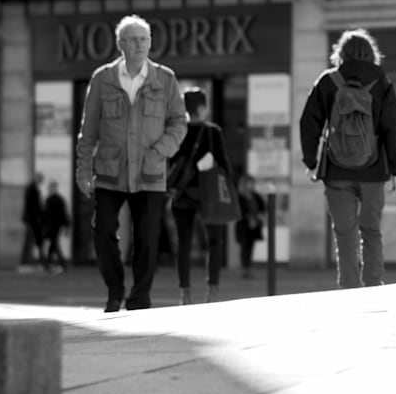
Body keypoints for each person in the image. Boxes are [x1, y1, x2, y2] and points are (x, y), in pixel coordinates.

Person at [75, 15, 187, 312]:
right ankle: (115, 291)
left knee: (148, 240)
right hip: (111, 172)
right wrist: (83, 169)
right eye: (133, 40)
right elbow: (89, 130)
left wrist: (160, 151)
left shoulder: (165, 78)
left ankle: (139, 299)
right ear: (120, 44)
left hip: (150, 172)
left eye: (144, 39)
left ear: (150, 43)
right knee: (103, 233)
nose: (139, 45)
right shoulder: (103, 78)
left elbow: (179, 122)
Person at [299, 27, 396, 289]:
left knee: (344, 233)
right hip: (374, 170)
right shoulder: (381, 81)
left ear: (341, 53)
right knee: (371, 231)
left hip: (336, 171)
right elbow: (391, 128)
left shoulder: (328, 80)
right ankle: (373, 285)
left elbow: (308, 123)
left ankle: (349, 289)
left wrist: (311, 161)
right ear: (371, 54)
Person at [167, 87, 235, 304]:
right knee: (215, 242)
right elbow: (224, 165)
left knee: (183, 245)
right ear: (202, 107)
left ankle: (184, 294)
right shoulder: (213, 131)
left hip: (182, 194)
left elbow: (168, 161)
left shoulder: (177, 131)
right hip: (210, 194)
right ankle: (212, 291)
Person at [235, 174, 266, 279]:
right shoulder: (239, 197)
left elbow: (262, 207)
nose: (251, 185)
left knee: (251, 247)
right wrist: (248, 219)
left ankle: (248, 268)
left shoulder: (256, 196)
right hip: (244, 226)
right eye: (249, 183)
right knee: (245, 248)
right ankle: (245, 269)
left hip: (254, 226)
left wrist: (259, 217)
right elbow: (239, 211)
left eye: (252, 183)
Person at [42, 181, 69, 272]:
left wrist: (66, 225)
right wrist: (66, 225)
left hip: (53, 225)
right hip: (55, 225)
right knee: (54, 243)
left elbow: (46, 214)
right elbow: (64, 214)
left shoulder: (51, 199)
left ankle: (55, 262)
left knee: (53, 243)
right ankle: (56, 262)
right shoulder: (57, 199)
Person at [20, 171, 45, 269]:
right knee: (30, 242)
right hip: (32, 220)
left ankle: (28, 262)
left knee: (33, 242)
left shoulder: (33, 188)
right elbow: (33, 206)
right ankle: (25, 263)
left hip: (33, 220)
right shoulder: (32, 189)